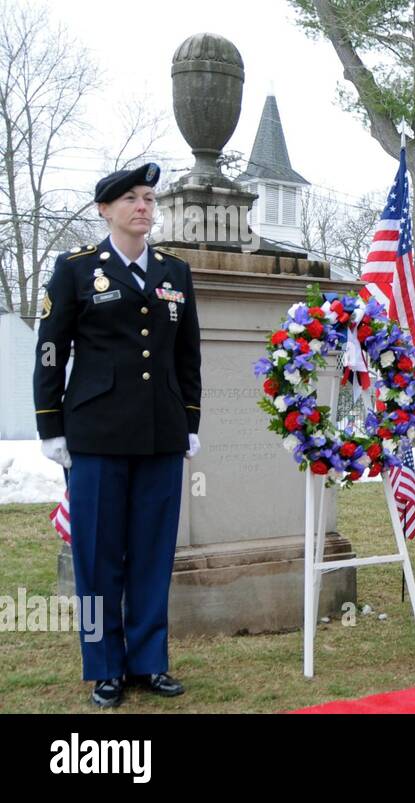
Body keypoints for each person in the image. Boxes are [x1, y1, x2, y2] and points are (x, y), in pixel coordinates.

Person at [33, 163, 202, 708]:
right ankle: (104, 665)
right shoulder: (77, 269)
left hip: (160, 433)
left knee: (152, 552)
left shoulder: (175, 271)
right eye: (131, 199)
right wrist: (49, 424)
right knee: (99, 554)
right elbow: (50, 350)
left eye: (150, 199)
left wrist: (190, 421)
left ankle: (149, 661)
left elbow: (186, 354)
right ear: (105, 209)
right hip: (97, 433)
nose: (143, 207)